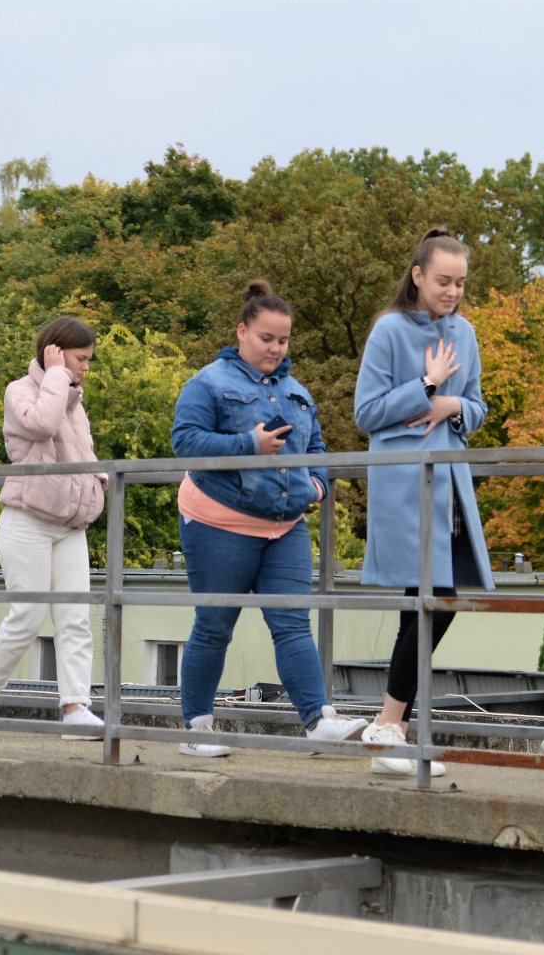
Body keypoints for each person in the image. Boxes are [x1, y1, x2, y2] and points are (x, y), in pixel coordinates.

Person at [168, 281, 369, 757]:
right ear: (242, 332)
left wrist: (317, 485)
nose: (276, 349)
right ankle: (196, 730)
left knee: (294, 624)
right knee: (215, 625)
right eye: (266, 338)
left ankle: (319, 721)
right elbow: (185, 442)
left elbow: (316, 448)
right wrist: (247, 446)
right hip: (219, 522)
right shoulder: (208, 383)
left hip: (285, 527)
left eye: (283, 341)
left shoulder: (296, 391)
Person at [352, 227, 492, 777]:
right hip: (405, 486)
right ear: (417, 276)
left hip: (450, 485)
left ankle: (392, 726)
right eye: (443, 281)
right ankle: (390, 724)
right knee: (431, 599)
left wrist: (451, 403)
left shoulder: (468, 332)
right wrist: (425, 385)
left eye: (460, 282)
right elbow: (367, 413)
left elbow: (477, 408)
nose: (453, 291)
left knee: (434, 600)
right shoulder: (388, 330)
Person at [0, 317, 106, 740]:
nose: (86, 368)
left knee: (75, 618)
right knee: (26, 616)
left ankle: (76, 707)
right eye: (81, 359)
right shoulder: (20, 391)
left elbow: (85, 452)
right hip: (26, 521)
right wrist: (58, 375)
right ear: (57, 353)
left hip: (69, 525)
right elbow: (43, 424)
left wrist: (96, 486)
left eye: (88, 360)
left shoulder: (74, 402)